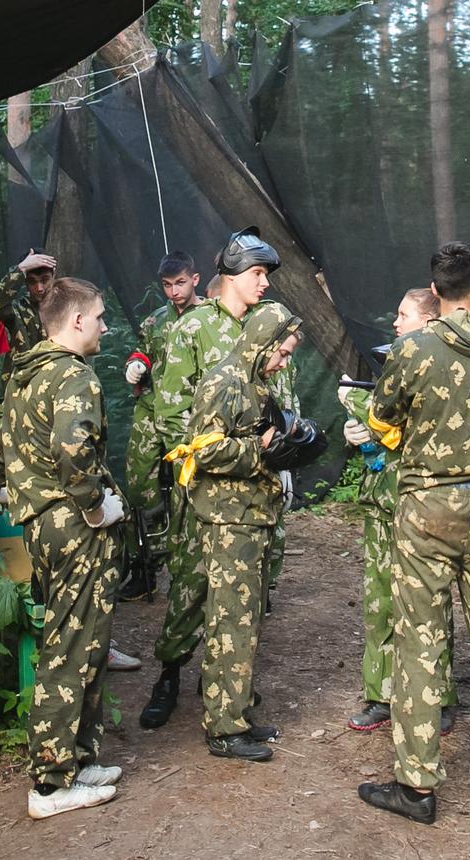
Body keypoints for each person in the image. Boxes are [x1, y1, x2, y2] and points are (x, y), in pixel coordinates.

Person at [359, 242, 470, 826]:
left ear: (435, 293)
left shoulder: (412, 350)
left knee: (419, 639)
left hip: (427, 512)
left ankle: (417, 787)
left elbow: (380, 421)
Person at [0, 276, 127, 819]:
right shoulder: (73, 376)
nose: (104, 327)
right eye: (98, 318)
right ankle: (50, 782)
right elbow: (74, 449)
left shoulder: (25, 373)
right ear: (75, 322)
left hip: (44, 526)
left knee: (87, 640)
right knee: (70, 646)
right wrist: (95, 505)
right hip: (73, 526)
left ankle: (78, 758)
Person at [139, 227, 277, 730]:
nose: (265, 284)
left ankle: (226, 685)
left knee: (245, 594)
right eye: (258, 274)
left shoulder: (264, 328)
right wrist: (204, 465)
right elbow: (170, 413)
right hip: (203, 488)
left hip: (256, 488)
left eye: (265, 275)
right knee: (193, 586)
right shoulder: (195, 329)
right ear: (233, 276)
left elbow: (277, 399)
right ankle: (170, 671)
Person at [176, 300, 304, 761]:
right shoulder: (223, 381)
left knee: (246, 620)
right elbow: (204, 452)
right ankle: (224, 728)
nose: (283, 362)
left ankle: (238, 710)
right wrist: (262, 448)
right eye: (282, 353)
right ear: (262, 343)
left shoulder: (253, 381)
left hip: (251, 514)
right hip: (229, 519)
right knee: (229, 620)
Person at [342, 288, 456, 734]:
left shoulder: (445, 367)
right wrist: (364, 436)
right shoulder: (393, 360)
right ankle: (382, 694)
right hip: (383, 500)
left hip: (423, 502)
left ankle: (439, 697)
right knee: (381, 601)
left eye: (403, 314)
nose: (395, 322)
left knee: (431, 601)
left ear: (428, 321)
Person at [121, 252, 204, 601]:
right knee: (138, 485)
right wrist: (136, 365)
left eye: (180, 283)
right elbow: (142, 351)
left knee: (194, 489)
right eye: (167, 285)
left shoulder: (210, 321)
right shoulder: (156, 322)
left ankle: (193, 571)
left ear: (195, 280)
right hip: (152, 409)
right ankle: (146, 566)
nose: (174, 292)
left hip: (192, 416)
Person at [0, 249, 56, 357]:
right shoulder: (18, 310)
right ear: (25, 281)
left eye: (44, 280)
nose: (39, 288)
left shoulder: (66, 307)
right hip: (24, 373)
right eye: (32, 282)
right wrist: (22, 269)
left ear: (53, 275)